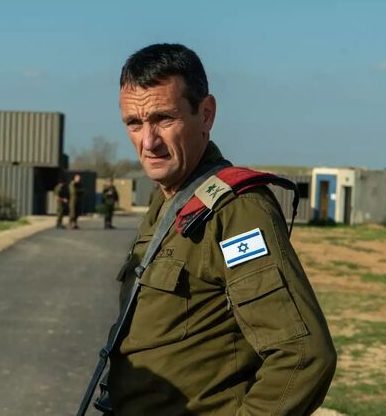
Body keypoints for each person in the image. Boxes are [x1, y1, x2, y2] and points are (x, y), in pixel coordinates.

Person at [104, 43, 336, 415]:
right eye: (134, 123)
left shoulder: (237, 210)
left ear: (206, 114)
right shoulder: (167, 202)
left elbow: (303, 355)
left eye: (164, 119)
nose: (149, 142)